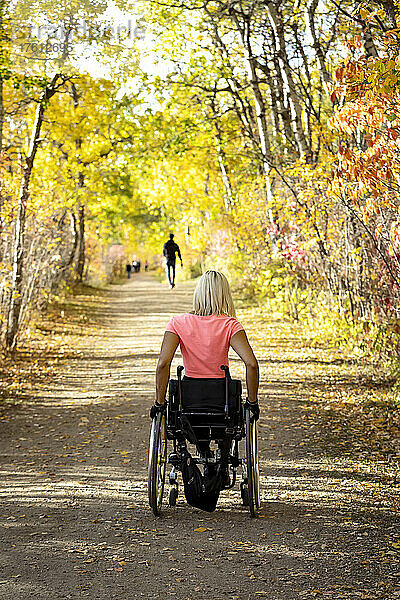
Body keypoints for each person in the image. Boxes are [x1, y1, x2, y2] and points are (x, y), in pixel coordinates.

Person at [151, 270, 259, 509]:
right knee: (228, 421)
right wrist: (252, 401)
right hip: (222, 402)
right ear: (225, 295)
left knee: (187, 418)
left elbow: (163, 364)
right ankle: (216, 459)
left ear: (198, 293)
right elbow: (251, 363)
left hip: (188, 404)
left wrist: (159, 403)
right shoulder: (230, 325)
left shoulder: (178, 323)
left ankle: (203, 454)